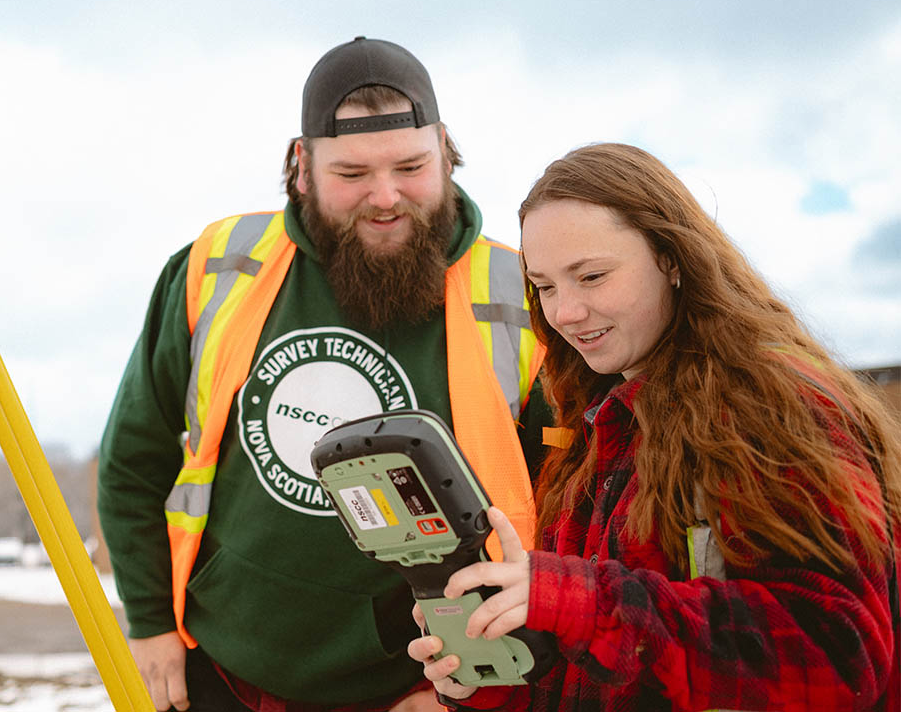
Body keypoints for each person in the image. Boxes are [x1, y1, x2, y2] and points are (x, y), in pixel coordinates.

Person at [97, 37, 553, 711]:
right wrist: (151, 623)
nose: (386, 196)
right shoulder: (216, 264)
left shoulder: (527, 294)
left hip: (419, 689)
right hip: (219, 675)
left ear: (447, 151)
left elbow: (578, 523)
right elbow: (132, 460)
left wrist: (460, 694)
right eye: (351, 173)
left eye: (410, 166)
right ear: (301, 165)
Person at [408, 142, 901, 711]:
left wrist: (578, 603)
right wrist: (497, 677)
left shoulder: (773, 407)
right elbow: (604, 672)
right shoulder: (597, 425)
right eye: (544, 286)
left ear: (671, 257)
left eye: (591, 276)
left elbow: (836, 658)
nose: (565, 311)